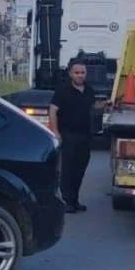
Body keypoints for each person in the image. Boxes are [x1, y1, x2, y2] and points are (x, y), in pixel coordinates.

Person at [48, 59, 105, 213]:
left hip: (85, 136)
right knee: (68, 169)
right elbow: (53, 111)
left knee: (80, 169)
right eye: (77, 73)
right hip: (68, 135)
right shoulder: (62, 92)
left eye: (83, 73)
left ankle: (75, 200)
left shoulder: (89, 91)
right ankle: (66, 201)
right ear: (70, 74)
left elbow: (93, 108)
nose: (80, 76)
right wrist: (56, 132)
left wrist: (106, 105)